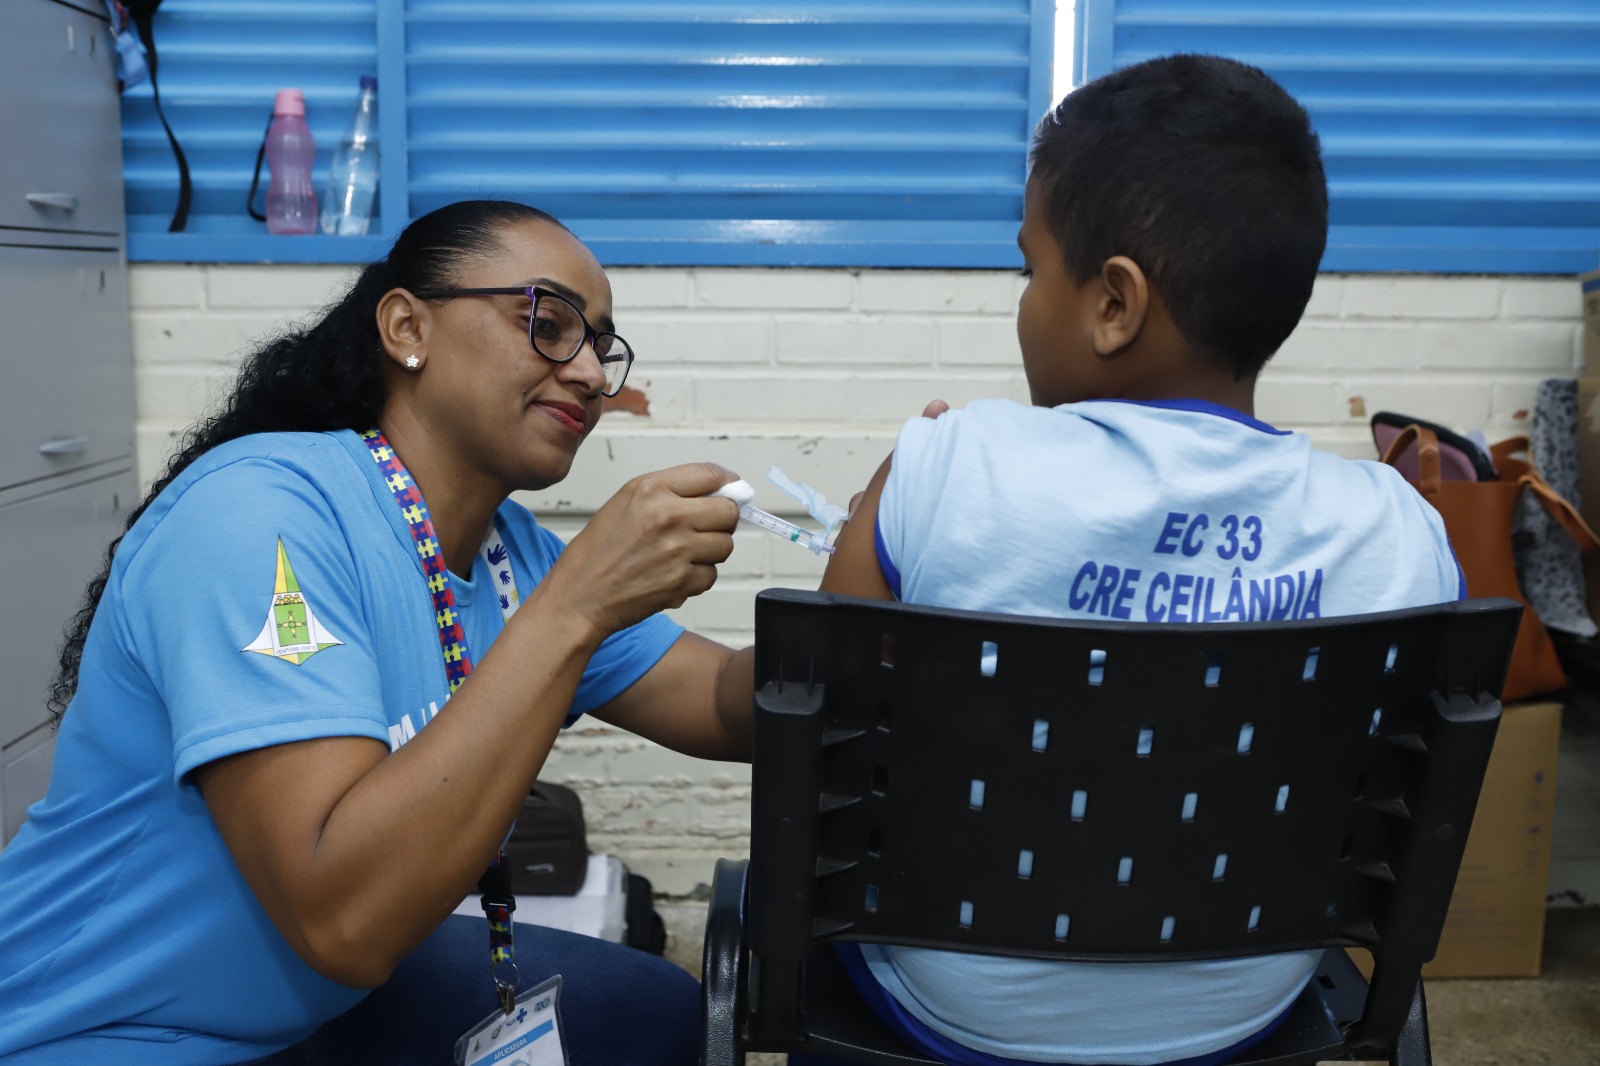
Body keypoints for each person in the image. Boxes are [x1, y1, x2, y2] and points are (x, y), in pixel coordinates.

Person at [808, 55, 1463, 1066]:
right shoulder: (1398, 529)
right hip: (1239, 1008)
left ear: (1114, 302)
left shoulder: (947, 463)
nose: (1021, 303)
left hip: (958, 1009)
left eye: (1030, 270)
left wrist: (903, 500)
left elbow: (826, 737)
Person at [0, 200, 757, 1065]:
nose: (590, 372)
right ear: (407, 327)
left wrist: (876, 566)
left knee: (656, 1009)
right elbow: (344, 922)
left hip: (312, 1003)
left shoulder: (514, 560)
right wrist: (578, 607)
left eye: (602, 346)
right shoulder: (259, 517)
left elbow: (727, 704)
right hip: (110, 1031)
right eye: (548, 324)